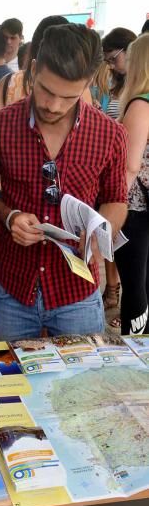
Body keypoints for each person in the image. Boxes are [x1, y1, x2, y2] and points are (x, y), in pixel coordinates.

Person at [0, 23, 128, 340]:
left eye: (69, 96)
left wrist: (99, 231)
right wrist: (8, 216)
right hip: (14, 286)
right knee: (14, 383)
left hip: (77, 290)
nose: (54, 105)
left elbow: (117, 199)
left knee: (83, 385)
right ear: (33, 70)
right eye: (46, 90)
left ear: (88, 83)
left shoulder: (109, 134)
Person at [91, 27, 137, 325]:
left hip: (128, 186)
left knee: (124, 249)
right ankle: (113, 290)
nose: (110, 64)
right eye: (106, 60)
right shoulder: (116, 86)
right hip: (113, 177)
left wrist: (121, 191)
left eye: (113, 58)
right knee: (109, 241)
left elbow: (132, 162)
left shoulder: (137, 97)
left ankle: (121, 297)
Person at [115, 34, 149, 335]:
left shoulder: (141, 104)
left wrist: (111, 209)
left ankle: (136, 347)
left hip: (136, 210)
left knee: (136, 285)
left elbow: (129, 166)